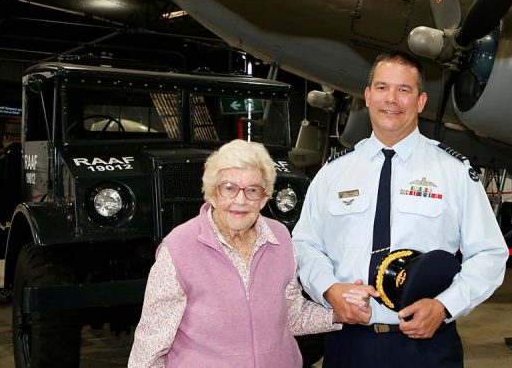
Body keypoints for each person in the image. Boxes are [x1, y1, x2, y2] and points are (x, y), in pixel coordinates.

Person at [292, 50, 509, 367]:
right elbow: (305, 243)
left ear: (420, 102)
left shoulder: (453, 172)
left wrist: (444, 307)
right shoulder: (334, 172)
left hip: (427, 346)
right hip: (348, 344)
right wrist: (329, 290)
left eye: (403, 90)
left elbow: (490, 253)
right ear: (367, 96)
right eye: (382, 88)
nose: (391, 99)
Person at [129, 140, 364, 367]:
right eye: (229, 188)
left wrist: (339, 313)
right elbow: (150, 344)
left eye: (252, 190)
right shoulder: (179, 248)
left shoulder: (279, 237)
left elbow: (291, 315)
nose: (240, 200)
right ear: (211, 193)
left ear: (264, 198)